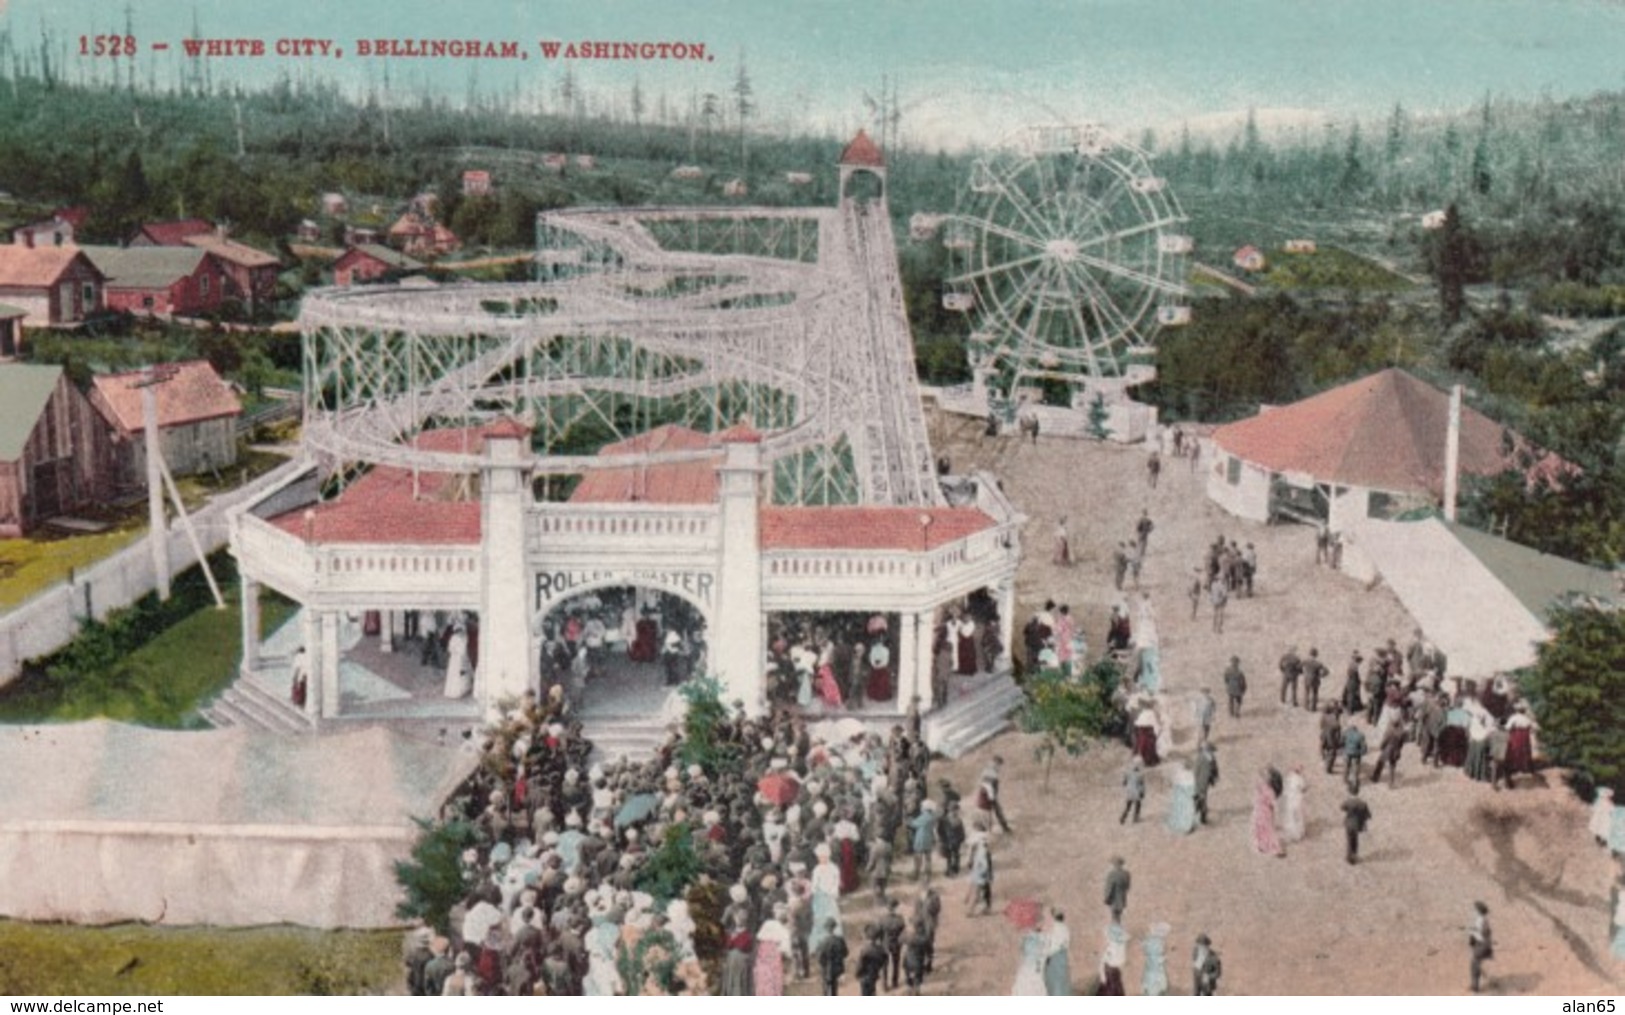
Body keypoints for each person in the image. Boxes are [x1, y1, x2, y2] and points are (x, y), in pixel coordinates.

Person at [754, 904, 792, 996]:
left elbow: (759, 937)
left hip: (763, 955)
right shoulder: (785, 931)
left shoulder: (768, 924)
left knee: (763, 978)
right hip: (774, 956)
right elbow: (786, 951)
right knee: (774, 979)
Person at [1250, 769, 1285, 857]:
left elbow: (1273, 803)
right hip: (1260, 811)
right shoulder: (1263, 788)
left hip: (1263, 812)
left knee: (1266, 829)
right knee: (1262, 829)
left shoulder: (1267, 790)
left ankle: (1274, 848)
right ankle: (1263, 845)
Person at [978, 756, 1013, 834]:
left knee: (996, 812)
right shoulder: (990, 771)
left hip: (991, 795)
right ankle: (988, 830)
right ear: (995, 762)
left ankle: (1003, 827)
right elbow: (987, 786)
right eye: (999, 764)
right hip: (988, 796)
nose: (999, 767)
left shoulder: (991, 770)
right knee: (988, 815)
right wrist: (992, 797)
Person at [1011, 925, 1048, 995]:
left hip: (1027, 967)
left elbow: (1022, 953)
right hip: (1035, 967)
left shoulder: (1027, 938)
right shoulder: (1043, 939)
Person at [1043, 908, 1072, 996]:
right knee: (1061, 980)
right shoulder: (1065, 928)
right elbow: (1066, 943)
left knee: (1055, 981)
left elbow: (1054, 945)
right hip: (1062, 957)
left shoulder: (1056, 928)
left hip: (1056, 957)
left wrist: (1047, 955)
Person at [815, 919, 849, 996]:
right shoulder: (840, 940)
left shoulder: (822, 941)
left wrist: (823, 964)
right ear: (834, 927)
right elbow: (845, 953)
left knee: (825, 989)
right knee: (834, 989)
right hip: (837, 969)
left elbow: (819, 957)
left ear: (826, 928)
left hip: (826, 969)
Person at [1166, 759, 1198, 835]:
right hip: (1187, 794)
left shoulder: (1179, 774)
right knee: (1187, 810)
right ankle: (1187, 826)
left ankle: (1180, 826)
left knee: (1180, 810)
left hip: (1181, 794)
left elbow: (1174, 784)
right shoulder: (1190, 774)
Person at [1342, 786, 1372, 865]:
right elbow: (1368, 815)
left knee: (1349, 839)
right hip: (1356, 823)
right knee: (1355, 840)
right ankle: (1354, 856)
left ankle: (1349, 856)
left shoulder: (1348, 802)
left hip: (1348, 823)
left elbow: (1342, 807)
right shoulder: (1362, 803)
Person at [1467, 901, 1493, 992]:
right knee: (1476, 964)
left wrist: (1472, 933)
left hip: (1481, 945)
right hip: (1483, 944)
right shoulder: (1482, 919)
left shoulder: (1481, 920)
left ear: (1478, 911)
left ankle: (1475, 986)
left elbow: (1480, 934)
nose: (1474, 911)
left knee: (1474, 965)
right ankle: (1476, 984)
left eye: (1475, 909)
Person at [966, 831, 994, 916]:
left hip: (980, 873)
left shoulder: (979, 851)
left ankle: (971, 910)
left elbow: (982, 864)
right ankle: (986, 908)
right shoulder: (984, 849)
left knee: (977, 891)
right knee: (985, 890)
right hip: (983, 873)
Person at [1097, 922, 1128, 995]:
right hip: (1114, 972)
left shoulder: (1111, 947)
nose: (1106, 938)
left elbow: (1102, 962)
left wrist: (1102, 976)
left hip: (1109, 973)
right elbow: (1122, 961)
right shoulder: (1120, 947)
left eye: (1107, 936)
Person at [856, 924, 887, 996]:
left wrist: (857, 974)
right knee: (873, 991)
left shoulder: (865, 950)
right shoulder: (881, 949)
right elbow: (884, 960)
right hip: (874, 974)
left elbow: (860, 965)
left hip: (865, 977)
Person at [1193, 740, 1219, 825]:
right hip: (1202, 780)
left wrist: (1214, 777)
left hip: (1203, 780)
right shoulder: (1205, 758)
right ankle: (1202, 816)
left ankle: (1200, 812)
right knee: (1202, 796)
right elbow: (1197, 770)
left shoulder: (1205, 757)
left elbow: (1214, 769)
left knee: (1201, 796)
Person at [443, 621, 472, 699]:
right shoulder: (454, 638)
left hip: (461, 657)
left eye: (461, 630)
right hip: (455, 658)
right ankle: (453, 692)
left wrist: (463, 655)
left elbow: (464, 649)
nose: (460, 632)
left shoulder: (464, 638)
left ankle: (461, 690)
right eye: (459, 630)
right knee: (455, 674)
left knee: (462, 673)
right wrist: (456, 652)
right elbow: (450, 648)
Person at [1279, 765, 1307, 844]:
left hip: (1290, 799)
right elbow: (1303, 788)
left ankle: (1291, 832)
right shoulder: (1300, 779)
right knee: (1298, 815)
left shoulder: (1289, 778)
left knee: (1291, 815)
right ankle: (1298, 833)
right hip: (1297, 799)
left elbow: (1285, 789)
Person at [1141, 922, 1170, 997]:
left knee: (1153, 982)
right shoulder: (1159, 942)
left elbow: (1144, 948)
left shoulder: (1151, 941)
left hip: (1152, 967)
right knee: (1156, 982)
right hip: (1154, 968)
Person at [1342, 722, 1368, 792]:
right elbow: (1364, 747)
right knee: (1355, 769)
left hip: (1347, 752)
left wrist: (1344, 748)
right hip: (1356, 754)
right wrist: (1362, 752)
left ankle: (1345, 779)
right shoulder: (1360, 735)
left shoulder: (1346, 733)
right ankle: (1355, 782)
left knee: (1346, 767)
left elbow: (1342, 742)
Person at [1103, 856, 1131, 923]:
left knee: (1114, 918)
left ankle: (1116, 931)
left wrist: (1106, 898)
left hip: (1114, 899)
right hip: (1122, 898)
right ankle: (1118, 929)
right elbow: (1127, 887)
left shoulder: (1112, 874)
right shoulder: (1126, 874)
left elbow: (1109, 887)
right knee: (1119, 917)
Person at [1121, 756, 1146, 824]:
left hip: (1129, 791)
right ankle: (1136, 817)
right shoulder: (1140, 774)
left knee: (1128, 806)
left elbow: (1124, 782)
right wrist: (1142, 792)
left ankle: (1123, 817)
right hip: (1136, 792)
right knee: (1138, 804)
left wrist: (1126, 787)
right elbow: (1141, 785)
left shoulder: (1128, 772)